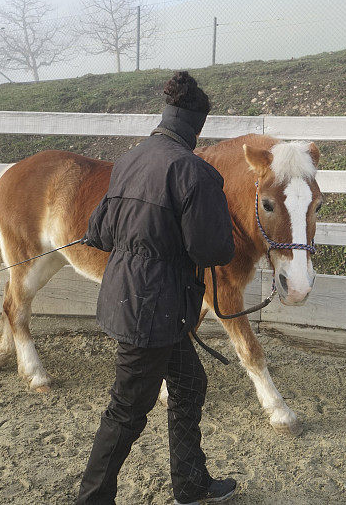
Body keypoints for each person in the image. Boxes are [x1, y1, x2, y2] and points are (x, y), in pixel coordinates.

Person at [76, 71, 238, 505]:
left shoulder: (129, 159)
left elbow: (101, 232)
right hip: (154, 312)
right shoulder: (194, 172)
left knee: (188, 385)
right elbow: (213, 248)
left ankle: (190, 485)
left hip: (139, 303)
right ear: (197, 126)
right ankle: (91, 499)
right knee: (126, 411)